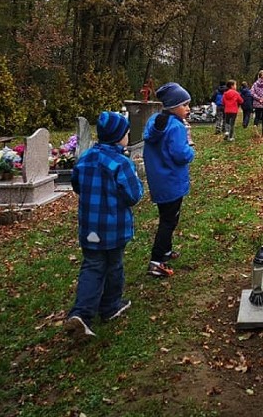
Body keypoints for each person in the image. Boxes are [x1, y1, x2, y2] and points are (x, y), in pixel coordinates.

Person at [66, 110, 143, 339]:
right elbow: (133, 195)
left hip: (90, 226)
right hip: (113, 228)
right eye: (127, 133)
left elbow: (76, 184)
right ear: (119, 136)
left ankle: (81, 313)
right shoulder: (122, 163)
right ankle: (110, 306)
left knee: (92, 266)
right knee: (114, 265)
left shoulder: (85, 158)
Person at [143, 82, 196, 277]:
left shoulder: (155, 121)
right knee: (168, 221)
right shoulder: (176, 127)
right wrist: (191, 151)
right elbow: (180, 154)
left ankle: (165, 250)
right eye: (185, 105)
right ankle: (156, 261)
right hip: (172, 181)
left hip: (159, 180)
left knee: (167, 217)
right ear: (173, 106)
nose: (188, 109)